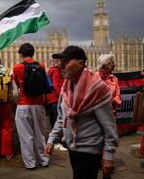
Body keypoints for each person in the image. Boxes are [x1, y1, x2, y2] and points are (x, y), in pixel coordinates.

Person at [45, 45, 118, 179]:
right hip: (73, 147)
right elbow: (62, 117)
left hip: (90, 150)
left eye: (66, 62)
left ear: (80, 63)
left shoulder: (97, 89)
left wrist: (108, 155)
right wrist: (52, 139)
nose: (61, 65)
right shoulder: (66, 87)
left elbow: (109, 127)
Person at [13, 43, 49, 170]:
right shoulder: (42, 66)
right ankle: (44, 160)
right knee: (40, 134)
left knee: (26, 136)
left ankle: (30, 163)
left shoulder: (17, 67)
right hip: (38, 104)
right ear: (33, 53)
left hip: (23, 104)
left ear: (21, 54)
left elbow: (17, 84)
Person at [45, 57, 67, 151]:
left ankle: (56, 141)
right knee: (56, 121)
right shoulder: (55, 72)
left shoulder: (53, 71)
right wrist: (62, 97)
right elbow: (56, 86)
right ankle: (56, 142)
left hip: (53, 99)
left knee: (56, 120)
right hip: (55, 99)